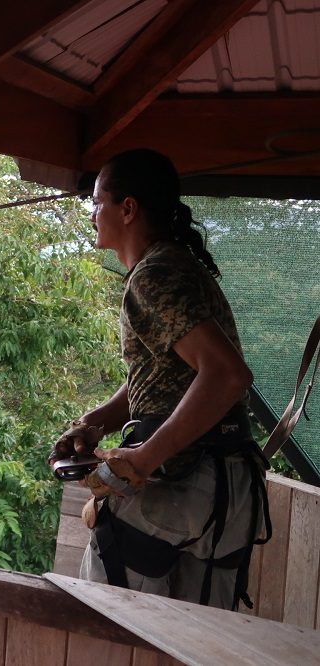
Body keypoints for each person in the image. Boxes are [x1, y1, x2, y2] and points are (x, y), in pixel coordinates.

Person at [49, 149, 269, 609]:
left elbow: (228, 376)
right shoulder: (178, 265)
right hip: (230, 490)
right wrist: (98, 420)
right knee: (202, 646)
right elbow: (167, 375)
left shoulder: (153, 276)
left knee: (108, 626)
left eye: (97, 202)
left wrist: (143, 459)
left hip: (178, 486)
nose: (92, 214)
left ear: (128, 209)